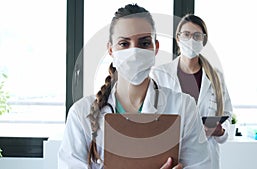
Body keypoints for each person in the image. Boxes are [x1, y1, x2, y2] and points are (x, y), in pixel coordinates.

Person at [58, 4, 211, 169]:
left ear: (156, 48)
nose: (135, 52)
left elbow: (200, 165)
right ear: (110, 50)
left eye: (144, 43)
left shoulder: (183, 107)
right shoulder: (81, 114)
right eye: (124, 44)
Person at [150, 14, 233, 169]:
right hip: (172, 156)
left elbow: (227, 114)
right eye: (186, 35)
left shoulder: (215, 77)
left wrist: (220, 131)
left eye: (197, 36)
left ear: (204, 41)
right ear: (178, 38)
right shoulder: (160, 74)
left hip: (206, 156)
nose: (191, 40)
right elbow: (151, 117)